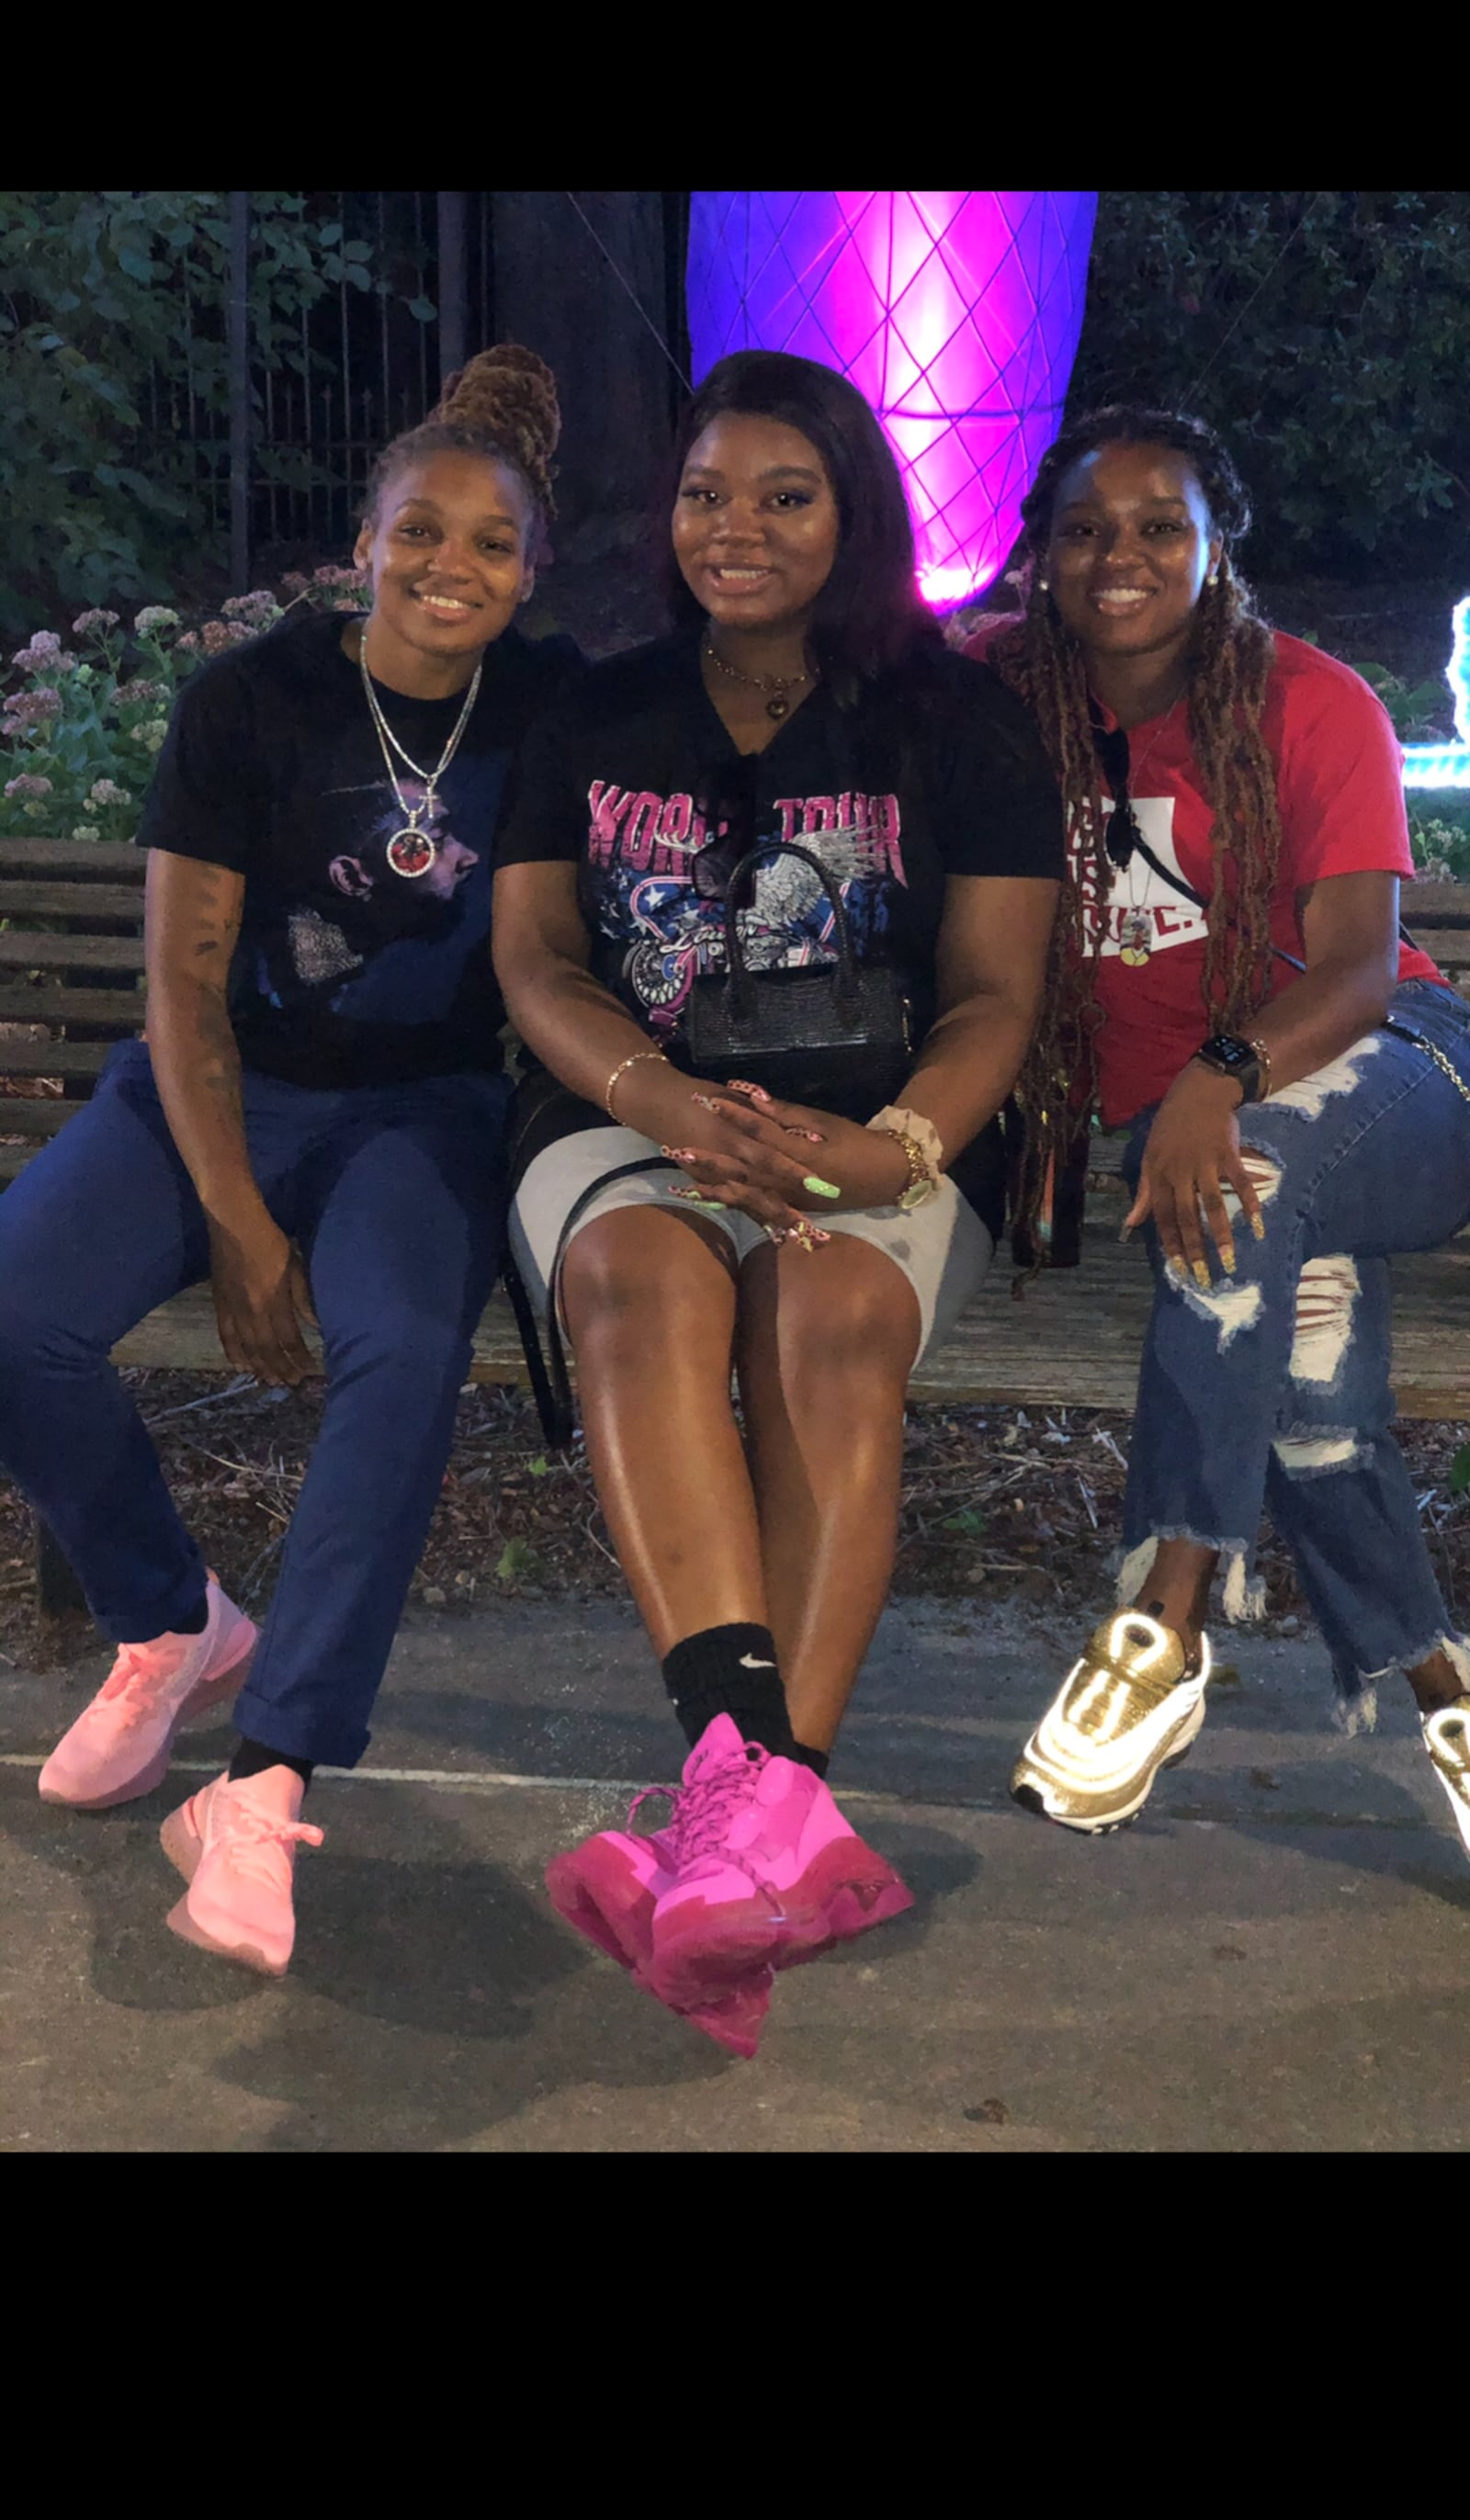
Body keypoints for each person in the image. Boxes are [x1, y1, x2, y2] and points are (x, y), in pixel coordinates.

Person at [492, 349, 1062, 2055]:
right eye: (704, 494)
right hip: (619, 1110)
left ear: (856, 513)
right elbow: (536, 955)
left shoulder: (955, 721)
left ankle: (734, 1835)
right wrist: (662, 1101)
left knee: (830, 1316)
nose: (733, 529)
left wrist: (886, 1151)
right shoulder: (593, 708)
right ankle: (772, 1822)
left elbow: (991, 999)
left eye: (784, 495)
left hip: (880, 1128)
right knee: (640, 1287)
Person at [0, 345, 578, 1973]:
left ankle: (265, 1778)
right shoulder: (250, 699)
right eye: (419, 530)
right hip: (219, 1088)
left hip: (418, 1117)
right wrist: (241, 1220)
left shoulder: (548, 703)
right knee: (10, 1312)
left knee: (400, 1353)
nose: (448, 566)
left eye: (490, 542)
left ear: (532, 569)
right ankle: (170, 1620)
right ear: (364, 536)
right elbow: (182, 980)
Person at [955, 403, 1470, 1854]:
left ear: (1216, 544)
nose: (1119, 555)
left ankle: (1162, 1617)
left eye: (1158, 525)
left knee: (1242, 1169)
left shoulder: (1309, 700)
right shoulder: (997, 692)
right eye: (1083, 529)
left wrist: (1218, 1071)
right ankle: (1441, 1686)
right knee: (1303, 1363)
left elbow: (1364, 965)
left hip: (1397, 1072)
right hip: (1204, 1145)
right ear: (1040, 556)